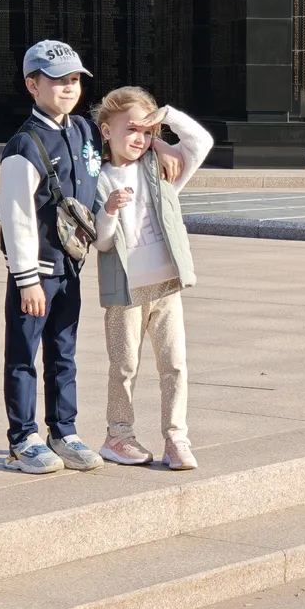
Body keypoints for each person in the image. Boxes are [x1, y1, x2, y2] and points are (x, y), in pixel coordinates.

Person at [0, 40, 107, 474]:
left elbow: (111, 162)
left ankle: (64, 431)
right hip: (37, 272)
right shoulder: (23, 145)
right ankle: (22, 439)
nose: (69, 87)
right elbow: (17, 218)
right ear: (32, 84)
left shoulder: (83, 130)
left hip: (71, 268)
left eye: (75, 79)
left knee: (64, 353)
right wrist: (26, 280)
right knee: (23, 356)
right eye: (58, 80)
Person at [92, 86, 214, 471]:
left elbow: (201, 142)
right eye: (131, 129)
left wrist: (166, 118)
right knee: (123, 367)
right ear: (106, 130)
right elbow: (102, 241)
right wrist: (109, 210)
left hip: (166, 286)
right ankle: (118, 436)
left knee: (174, 364)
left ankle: (176, 437)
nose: (140, 138)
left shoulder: (162, 168)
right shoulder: (97, 177)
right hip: (125, 291)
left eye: (146, 131)